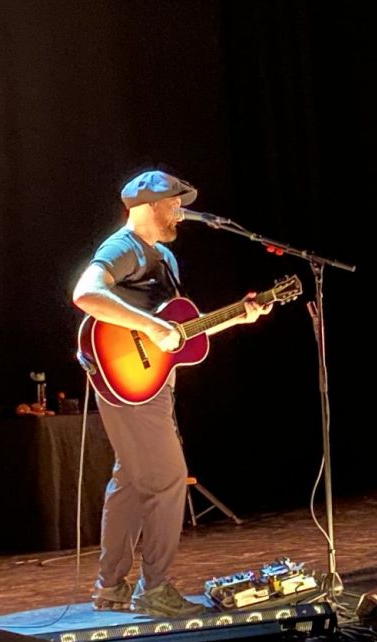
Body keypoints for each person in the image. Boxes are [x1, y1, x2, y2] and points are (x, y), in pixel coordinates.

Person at [73, 170, 272, 617]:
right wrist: (149, 326)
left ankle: (111, 586)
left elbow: (179, 336)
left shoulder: (165, 258)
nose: (180, 213)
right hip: (128, 383)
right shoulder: (123, 246)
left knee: (129, 480)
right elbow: (86, 293)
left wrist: (239, 317)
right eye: (173, 204)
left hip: (151, 383)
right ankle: (155, 588)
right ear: (148, 205)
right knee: (166, 478)